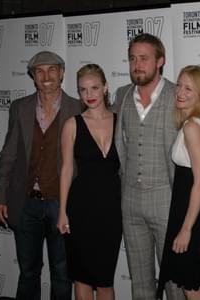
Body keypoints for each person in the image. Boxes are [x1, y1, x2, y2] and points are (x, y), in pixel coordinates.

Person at [0, 51, 83, 299]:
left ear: (62, 73)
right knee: (28, 272)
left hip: (62, 205)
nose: (46, 76)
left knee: (62, 274)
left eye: (52, 69)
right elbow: (8, 154)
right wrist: (0, 196)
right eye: (39, 71)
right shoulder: (19, 108)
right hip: (26, 203)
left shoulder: (79, 108)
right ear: (33, 76)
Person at [112, 33, 184, 300]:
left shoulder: (179, 94)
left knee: (175, 281)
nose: (137, 65)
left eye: (144, 58)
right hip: (130, 201)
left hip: (167, 199)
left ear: (160, 61)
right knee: (140, 282)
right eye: (132, 58)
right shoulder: (121, 95)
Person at [57, 64, 122, 300]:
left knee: (105, 280)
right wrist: (63, 211)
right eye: (83, 90)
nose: (89, 95)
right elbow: (66, 168)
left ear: (105, 87)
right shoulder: (72, 124)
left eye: (94, 88)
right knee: (82, 277)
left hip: (112, 208)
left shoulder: (121, 121)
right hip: (81, 207)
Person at [156, 66, 200, 300]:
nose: (180, 91)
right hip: (193, 210)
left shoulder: (192, 127)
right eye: (179, 85)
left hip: (191, 215)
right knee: (197, 284)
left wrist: (186, 229)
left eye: (189, 88)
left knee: (190, 286)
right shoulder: (198, 123)